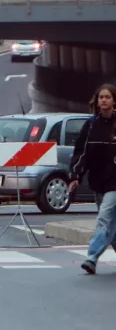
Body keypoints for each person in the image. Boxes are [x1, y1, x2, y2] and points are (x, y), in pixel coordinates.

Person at [68, 83, 116, 274]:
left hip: (115, 181)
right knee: (111, 224)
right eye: (101, 97)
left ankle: (92, 258)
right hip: (98, 180)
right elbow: (82, 152)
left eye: (107, 97)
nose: (103, 100)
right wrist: (75, 175)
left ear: (114, 101)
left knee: (104, 218)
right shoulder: (90, 125)